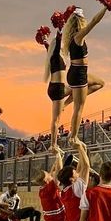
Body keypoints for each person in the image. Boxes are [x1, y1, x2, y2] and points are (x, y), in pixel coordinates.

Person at [63, 2, 111, 142]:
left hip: (78, 73)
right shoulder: (78, 37)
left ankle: (66, 100)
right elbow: (94, 22)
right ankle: (73, 137)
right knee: (79, 108)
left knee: (100, 83)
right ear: (80, 22)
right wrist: (106, 8)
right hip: (78, 75)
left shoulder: (73, 38)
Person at [41, 19, 67, 152]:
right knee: (56, 119)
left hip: (56, 87)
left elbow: (48, 46)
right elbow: (57, 43)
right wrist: (60, 29)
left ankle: (65, 105)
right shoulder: (56, 55)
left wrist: (45, 39)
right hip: (58, 89)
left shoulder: (52, 55)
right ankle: (53, 144)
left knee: (76, 89)